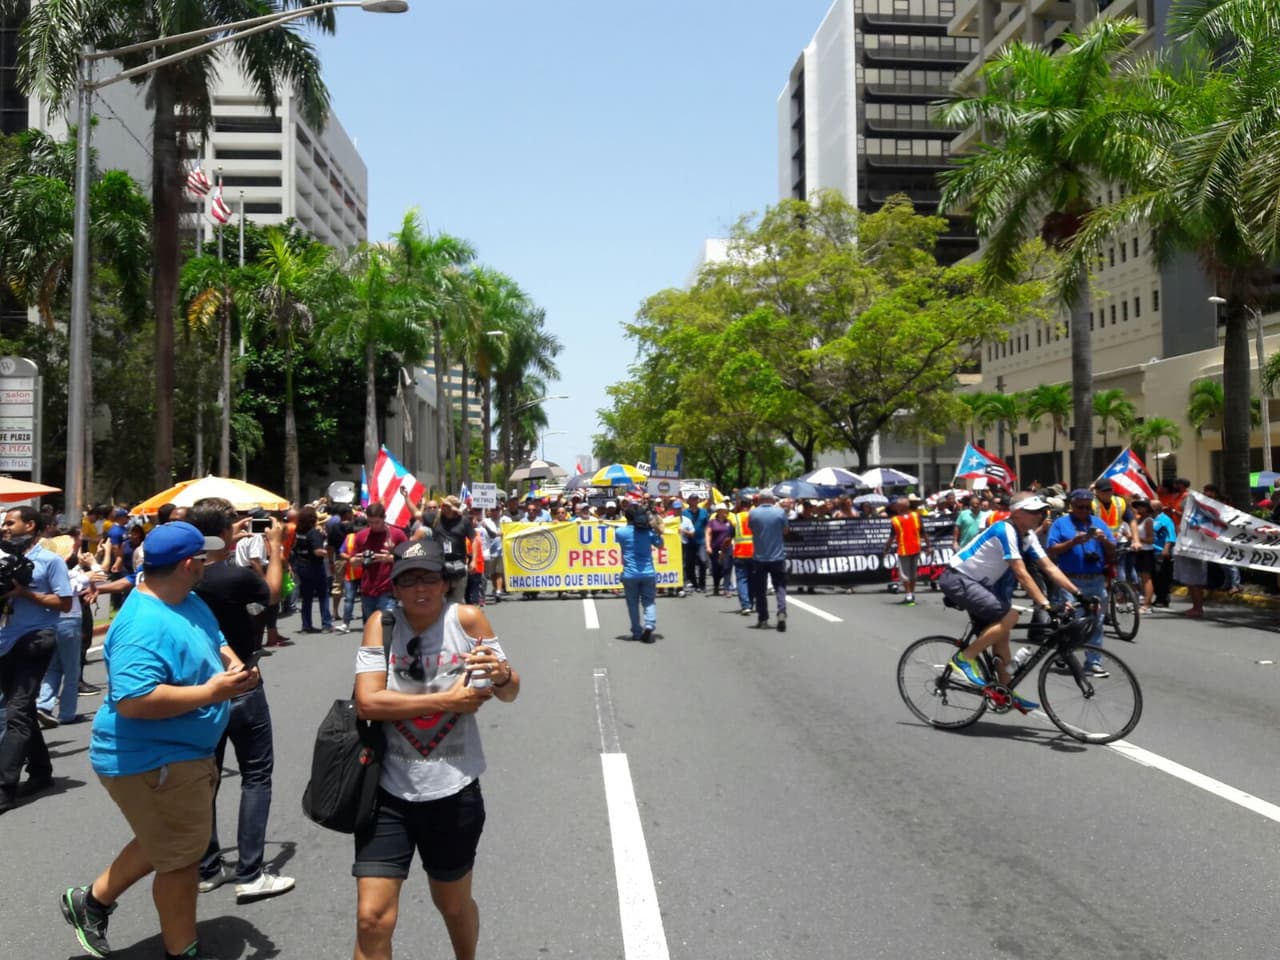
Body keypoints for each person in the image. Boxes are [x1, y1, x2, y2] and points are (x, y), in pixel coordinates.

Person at [60, 521, 257, 960]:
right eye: (203, 557)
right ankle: (180, 949)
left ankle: (89, 901)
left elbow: (216, 639)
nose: (209, 562)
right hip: (154, 760)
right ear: (189, 564)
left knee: (166, 840)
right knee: (181, 861)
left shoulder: (185, 599)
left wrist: (235, 667)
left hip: (181, 754)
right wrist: (213, 693)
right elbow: (134, 700)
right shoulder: (141, 624)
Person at [351, 538, 519, 960]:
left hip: (453, 791)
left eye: (429, 578)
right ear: (395, 588)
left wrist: (501, 674)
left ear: (445, 583)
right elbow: (369, 701)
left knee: (453, 904)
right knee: (372, 919)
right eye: (407, 581)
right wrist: (447, 701)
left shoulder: (468, 620)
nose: (419, 589)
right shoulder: (381, 624)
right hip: (387, 792)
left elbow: (510, 692)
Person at [189, 500, 294, 904]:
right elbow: (273, 593)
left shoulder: (184, 578)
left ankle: (208, 866)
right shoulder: (230, 576)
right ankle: (250, 872)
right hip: (243, 682)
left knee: (207, 778)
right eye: (234, 524)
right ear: (220, 533)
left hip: (200, 689)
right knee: (255, 776)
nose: (241, 527)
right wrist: (276, 547)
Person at [940, 492, 1083, 712]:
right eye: (1035, 511)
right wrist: (1046, 605)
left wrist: (1078, 593)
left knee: (1002, 633)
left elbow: (1049, 567)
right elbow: (1021, 572)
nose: (1041, 515)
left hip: (980, 585)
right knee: (1010, 615)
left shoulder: (1027, 535)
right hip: (959, 578)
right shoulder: (1004, 529)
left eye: (1042, 512)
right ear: (1017, 513)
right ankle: (964, 658)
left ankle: (1003, 691)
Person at [0, 505, 74, 812]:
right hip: (5, 642)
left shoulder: (51, 561)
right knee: (25, 710)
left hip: (37, 639)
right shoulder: (2, 560)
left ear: (30, 526)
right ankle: (42, 772)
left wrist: (25, 593)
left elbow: (65, 603)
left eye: (10, 523)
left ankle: (4, 787)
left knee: (14, 711)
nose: (4, 528)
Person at [1045, 489, 1116, 676]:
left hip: (1096, 580)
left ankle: (1093, 662)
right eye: (1080, 507)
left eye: (1087, 507)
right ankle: (1066, 652)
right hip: (1070, 580)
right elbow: (1052, 550)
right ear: (1072, 506)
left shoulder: (1099, 523)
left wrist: (1104, 541)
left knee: (1097, 621)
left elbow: (1113, 550)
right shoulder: (1061, 524)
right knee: (1073, 622)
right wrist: (1073, 542)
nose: (1084, 510)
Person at [352, 503, 408, 622]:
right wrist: (359, 560)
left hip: (388, 589)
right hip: (367, 589)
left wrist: (390, 558)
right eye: (370, 522)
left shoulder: (397, 534)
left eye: (376, 522)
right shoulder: (362, 536)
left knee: (387, 625)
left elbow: (408, 558)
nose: (373, 525)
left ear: (384, 518)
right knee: (370, 627)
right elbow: (352, 561)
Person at [617, 503, 664, 642]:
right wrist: (657, 532)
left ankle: (636, 632)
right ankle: (649, 624)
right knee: (649, 601)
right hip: (648, 572)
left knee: (632, 603)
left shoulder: (620, 532)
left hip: (630, 573)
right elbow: (660, 545)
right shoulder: (649, 533)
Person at [748, 490, 789, 632]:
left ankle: (763, 618)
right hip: (777, 556)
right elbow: (785, 531)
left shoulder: (753, 513)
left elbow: (752, 529)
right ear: (772, 499)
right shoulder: (780, 512)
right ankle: (782, 610)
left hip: (759, 557)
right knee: (780, 586)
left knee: (760, 590)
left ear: (760, 500)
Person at [884, 496, 930, 606]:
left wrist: (886, 548)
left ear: (901, 507)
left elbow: (891, 536)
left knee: (905, 574)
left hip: (904, 549)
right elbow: (923, 533)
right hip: (915, 548)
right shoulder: (915, 516)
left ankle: (909, 594)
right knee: (912, 573)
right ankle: (911, 594)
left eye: (897, 505)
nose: (896, 507)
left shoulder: (896, 519)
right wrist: (929, 546)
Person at [728, 496, 755, 615]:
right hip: (755, 553)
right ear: (750, 506)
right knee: (753, 580)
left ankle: (745, 605)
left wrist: (723, 551)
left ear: (740, 505)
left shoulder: (735, 518)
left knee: (742, 580)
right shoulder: (755, 517)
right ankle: (751, 603)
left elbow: (729, 537)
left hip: (740, 553)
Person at [1131, 497, 1157, 613]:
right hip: (1139, 551)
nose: (1139, 508)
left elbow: (1151, 539)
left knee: (1146, 578)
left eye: (1142, 506)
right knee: (1141, 577)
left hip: (1146, 551)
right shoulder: (1139, 519)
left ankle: (1147, 605)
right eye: (1138, 506)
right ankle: (1142, 601)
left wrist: (1136, 538)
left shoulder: (1148, 520)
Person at [1151, 499, 1177, 607]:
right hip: (1151, 551)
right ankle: (1158, 597)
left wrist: (1166, 549)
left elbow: (1171, 536)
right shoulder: (1150, 519)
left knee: (1162, 575)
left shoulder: (1165, 520)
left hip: (1161, 551)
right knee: (1154, 576)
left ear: (1156, 508)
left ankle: (1163, 598)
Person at [681, 494, 709, 593]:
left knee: (703, 561)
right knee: (690, 564)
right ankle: (694, 584)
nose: (694, 501)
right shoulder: (684, 513)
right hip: (689, 542)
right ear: (689, 501)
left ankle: (702, 584)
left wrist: (707, 539)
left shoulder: (704, 512)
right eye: (692, 499)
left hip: (701, 541)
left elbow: (707, 526)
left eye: (696, 499)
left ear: (698, 501)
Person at [706, 503, 734, 598]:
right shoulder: (712, 522)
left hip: (727, 548)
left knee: (727, 568)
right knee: (716, 568)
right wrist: (708, 546)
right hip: (715, 548)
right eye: (723, 510)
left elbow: (732, 535)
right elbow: (708, 534)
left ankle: (726, 589)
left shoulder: (729, 522)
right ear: (718, 511)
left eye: (726, 510)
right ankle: (716, 587)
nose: (725, 512)